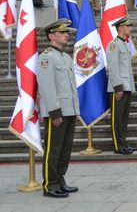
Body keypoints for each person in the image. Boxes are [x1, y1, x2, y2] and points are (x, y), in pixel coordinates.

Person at [37, 19, 80, 198]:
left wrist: (76, 110)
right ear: (51, 36)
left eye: (67, 32)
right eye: (62, 33)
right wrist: (55, 112)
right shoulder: (46, 58)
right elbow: (47, 87)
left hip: (69, 110)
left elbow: (71, 86)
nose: (66, 35)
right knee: (53, 149)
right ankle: (50, 184)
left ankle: (60, 180)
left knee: (65, 148)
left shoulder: (67, 57)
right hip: (57, 111)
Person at [106, 16, 137, 155]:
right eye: (127, 26)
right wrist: (118, 87)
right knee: (117, 118)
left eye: (129, 26)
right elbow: (113, 67)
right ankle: (118, 145)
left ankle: (123, 142)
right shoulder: (114, 45)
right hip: (118, 87)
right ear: (120, 28)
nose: (129, 28)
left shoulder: (124, 44)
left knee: (124, 118)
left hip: (126, 86)